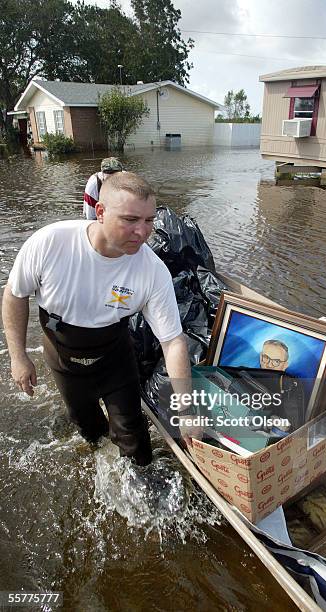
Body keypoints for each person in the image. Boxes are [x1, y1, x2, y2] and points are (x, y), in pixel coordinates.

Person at [2, 172, 202, 466]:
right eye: (130, 219)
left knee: (134, 436)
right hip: (62, 356)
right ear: (100, 212)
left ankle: (140, 489)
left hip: (114, 358)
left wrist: (185, 411)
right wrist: (18, 357)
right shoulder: (50, 243)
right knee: (88, 428)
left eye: (149, 221)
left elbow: (172, 341)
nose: (142, 232)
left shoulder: (152, 270)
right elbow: (14, 295)